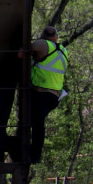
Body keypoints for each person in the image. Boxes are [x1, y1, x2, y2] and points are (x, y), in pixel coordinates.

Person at [28, 25, 68, 164]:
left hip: (42, 94)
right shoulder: (63, 50)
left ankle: (35, 154)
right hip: (55, 96)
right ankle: (34, 152)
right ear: (56, 37)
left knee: (37, 123)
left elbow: (28, 48)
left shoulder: (43, 45)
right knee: (36, 121)